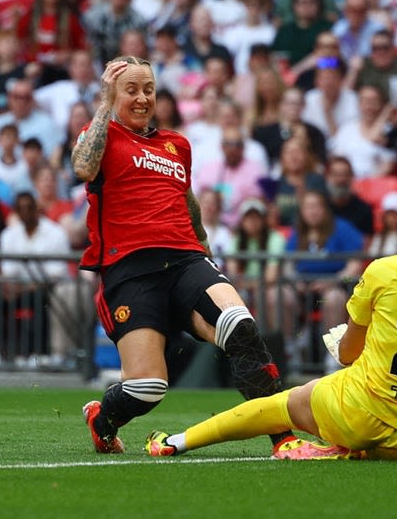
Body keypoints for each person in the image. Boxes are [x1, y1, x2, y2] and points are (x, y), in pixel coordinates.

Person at [73, 57, 300, 456]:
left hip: (185, 261)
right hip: (130, 271)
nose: (142, 98)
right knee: (147, 388)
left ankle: (284, 439)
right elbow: (82, 166)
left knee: (239, 325)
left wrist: (206, 252)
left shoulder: (177, 144)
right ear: (113, 94)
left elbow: (187, 201)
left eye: (149, 89)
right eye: (132, 90)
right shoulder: (101, 134)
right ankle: (102, 418)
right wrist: (105, 103)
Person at [145, 201, 397, 460]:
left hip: (363, 410)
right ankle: (342, 452)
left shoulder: (387, 271)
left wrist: (346, 343)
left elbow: (347, 354)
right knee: (392, 440)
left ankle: (176, 442)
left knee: (280, 404)